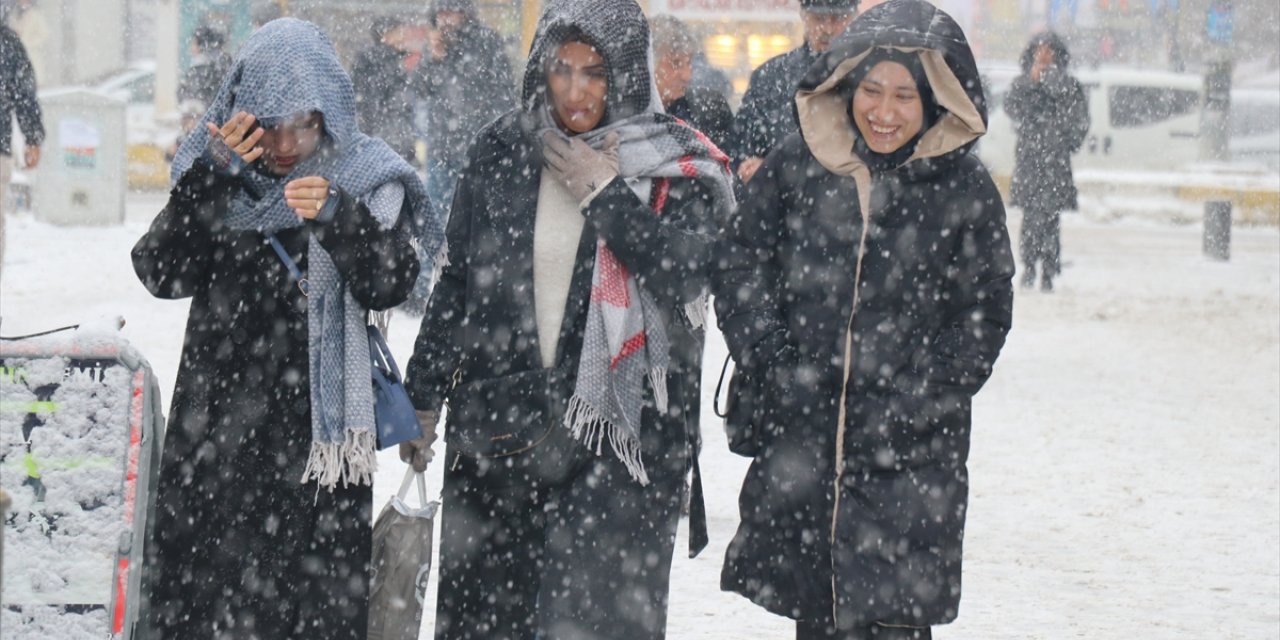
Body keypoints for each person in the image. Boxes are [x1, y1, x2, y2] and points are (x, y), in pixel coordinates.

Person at [402, 0, 734, 637]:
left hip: (622, 443)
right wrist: (422, 398)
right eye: (561, 69)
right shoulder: (503, 147)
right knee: (492, 623)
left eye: (595, 72)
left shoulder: (674, 164)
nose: (575, 91)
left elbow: (689, 272)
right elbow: (456, 281)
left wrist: (607, 197)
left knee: (597, 624)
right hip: (501, 429)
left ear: (627, 76)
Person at [712, 0, 1015, 638]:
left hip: (910, 456)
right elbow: (739, 262)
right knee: (817, 614)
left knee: (894, 616)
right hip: (808, 444)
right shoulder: (800, 165)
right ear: (847, 86)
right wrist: (771, 355)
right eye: (871, 90)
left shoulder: (962, 189)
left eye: (905, 95)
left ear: (934, 98)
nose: (884, 111)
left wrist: (924, 392)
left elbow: (986, 305)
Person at [132, 18, 438, 638]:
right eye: (267, 124)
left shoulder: (362, 175)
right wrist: (210, 179)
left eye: (302, 123)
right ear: (242, 114)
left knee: (312, 612)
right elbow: (160, 272)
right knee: (208, 607)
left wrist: (336, 214)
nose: (284, 143)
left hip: (320, 453)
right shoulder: (218, 176)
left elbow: (395, 283)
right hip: (219, 440)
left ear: (328, 111)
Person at [411, 0, 515, 222]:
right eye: (441, 13)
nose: (445, 19)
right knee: (436, 217)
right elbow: (420, 88)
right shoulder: (435, 45)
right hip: (441, 148)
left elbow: (503, 93)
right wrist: (435, 59)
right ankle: (438, 257)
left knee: (474, 218)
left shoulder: (487, 42)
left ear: (464, 13)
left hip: (477, 147)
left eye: (452, 13)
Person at [734, 0, 856, 183]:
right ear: (804, 17)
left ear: (853, 19)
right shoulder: (770, 78)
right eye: (820, 18)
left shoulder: (872, 78)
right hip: (783, 203)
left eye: (838, 19)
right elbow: (740, 151)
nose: (828, 29)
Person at [1005, 31, 1089, 292]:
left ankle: (1048, 271)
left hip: (1054, 163)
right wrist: (1032, 83)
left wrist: (1062, 140)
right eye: (1039, 49)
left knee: (1050, 219)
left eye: (1049, 49)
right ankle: (1029, 267)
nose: (1043, 54)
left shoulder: (1068, 85)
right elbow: (1012, 108)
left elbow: (1078, 119)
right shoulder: (1023, 83)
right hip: (1030, 160)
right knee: (1030, 218)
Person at [651, 15, 736, 159]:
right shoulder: (625, 118)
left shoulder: (711, 111)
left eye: (689, 62)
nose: (687, 75)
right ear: (649, 64)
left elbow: (730, 168)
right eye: (675, 63)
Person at [1, 16, 44, 285]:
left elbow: (23, 89)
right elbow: (23, 90)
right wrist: (32, 137)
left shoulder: (8, 43)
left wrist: (33, 136)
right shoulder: (7, 43)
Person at [352, 14, 418, 163]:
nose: (403, 37)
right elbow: (385, 105)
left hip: (384, 140)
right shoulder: (382, 62)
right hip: (389, 142)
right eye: (399, 33)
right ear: (385, 35)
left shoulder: (385, 60)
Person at [178, 24, 233, 109]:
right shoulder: (222, 63)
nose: (190, 48)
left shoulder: (201, 68)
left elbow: (192, 96)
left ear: (201, 45)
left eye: (193, 43)